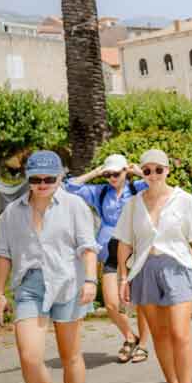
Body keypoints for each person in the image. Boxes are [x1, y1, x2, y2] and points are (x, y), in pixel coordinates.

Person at [0, 150, 98, 383]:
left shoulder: (74, 205)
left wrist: (90, 280)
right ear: (27, 178)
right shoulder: (13, 212)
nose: (41, 185)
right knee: (29, 355)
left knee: (70, 355)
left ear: (60, 177)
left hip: (68, 282)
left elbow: (87, 247)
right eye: (35, 179)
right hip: (30, 286)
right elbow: (4, 254)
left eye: (48, 179)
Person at [114, 149, 192, 383]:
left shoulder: (185, 201)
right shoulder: (133, 204)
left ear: (168, 170)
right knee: (159, 336)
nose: (153, 175)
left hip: (177, 268)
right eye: (147, 171)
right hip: (145, 270)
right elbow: (124, 242)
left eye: (159, 169)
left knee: (180, 334)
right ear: (141, 173)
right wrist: (123, 277)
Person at [64, 153, 150, 363]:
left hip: (134, 248)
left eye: (116, 173)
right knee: (111, 303)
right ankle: (130, 337)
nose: (112, 178)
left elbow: (155, 182)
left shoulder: (136, 187)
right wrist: (95, 172)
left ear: (125, 172)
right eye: (108, 174)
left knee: (140, 302)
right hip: (109, 250)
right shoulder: (101, 191)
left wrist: (136, 170)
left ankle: (144, 345)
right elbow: (70, 187)